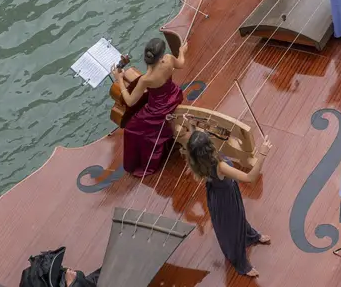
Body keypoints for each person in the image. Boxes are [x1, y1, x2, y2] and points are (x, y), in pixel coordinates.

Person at [184, 124, 272, 277]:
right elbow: (249, 178)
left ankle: (250, 235)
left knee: (237, 220)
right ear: (208, 147)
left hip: (217, 196)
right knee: (233, 228)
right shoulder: (220, 166)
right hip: (226, 198)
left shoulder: (197, 160)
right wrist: (262, 154)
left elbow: (196, 134)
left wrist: (194, 125)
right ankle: (240, 262)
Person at [110, 38, 187, 177]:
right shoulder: (169, 59)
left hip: (158, 109)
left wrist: (119, 79)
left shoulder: (146, 79)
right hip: (174, 96)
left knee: (131, 129)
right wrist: (182, 51)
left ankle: (142, 162)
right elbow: (181, 63)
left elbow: (130, 101)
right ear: (161, 56)